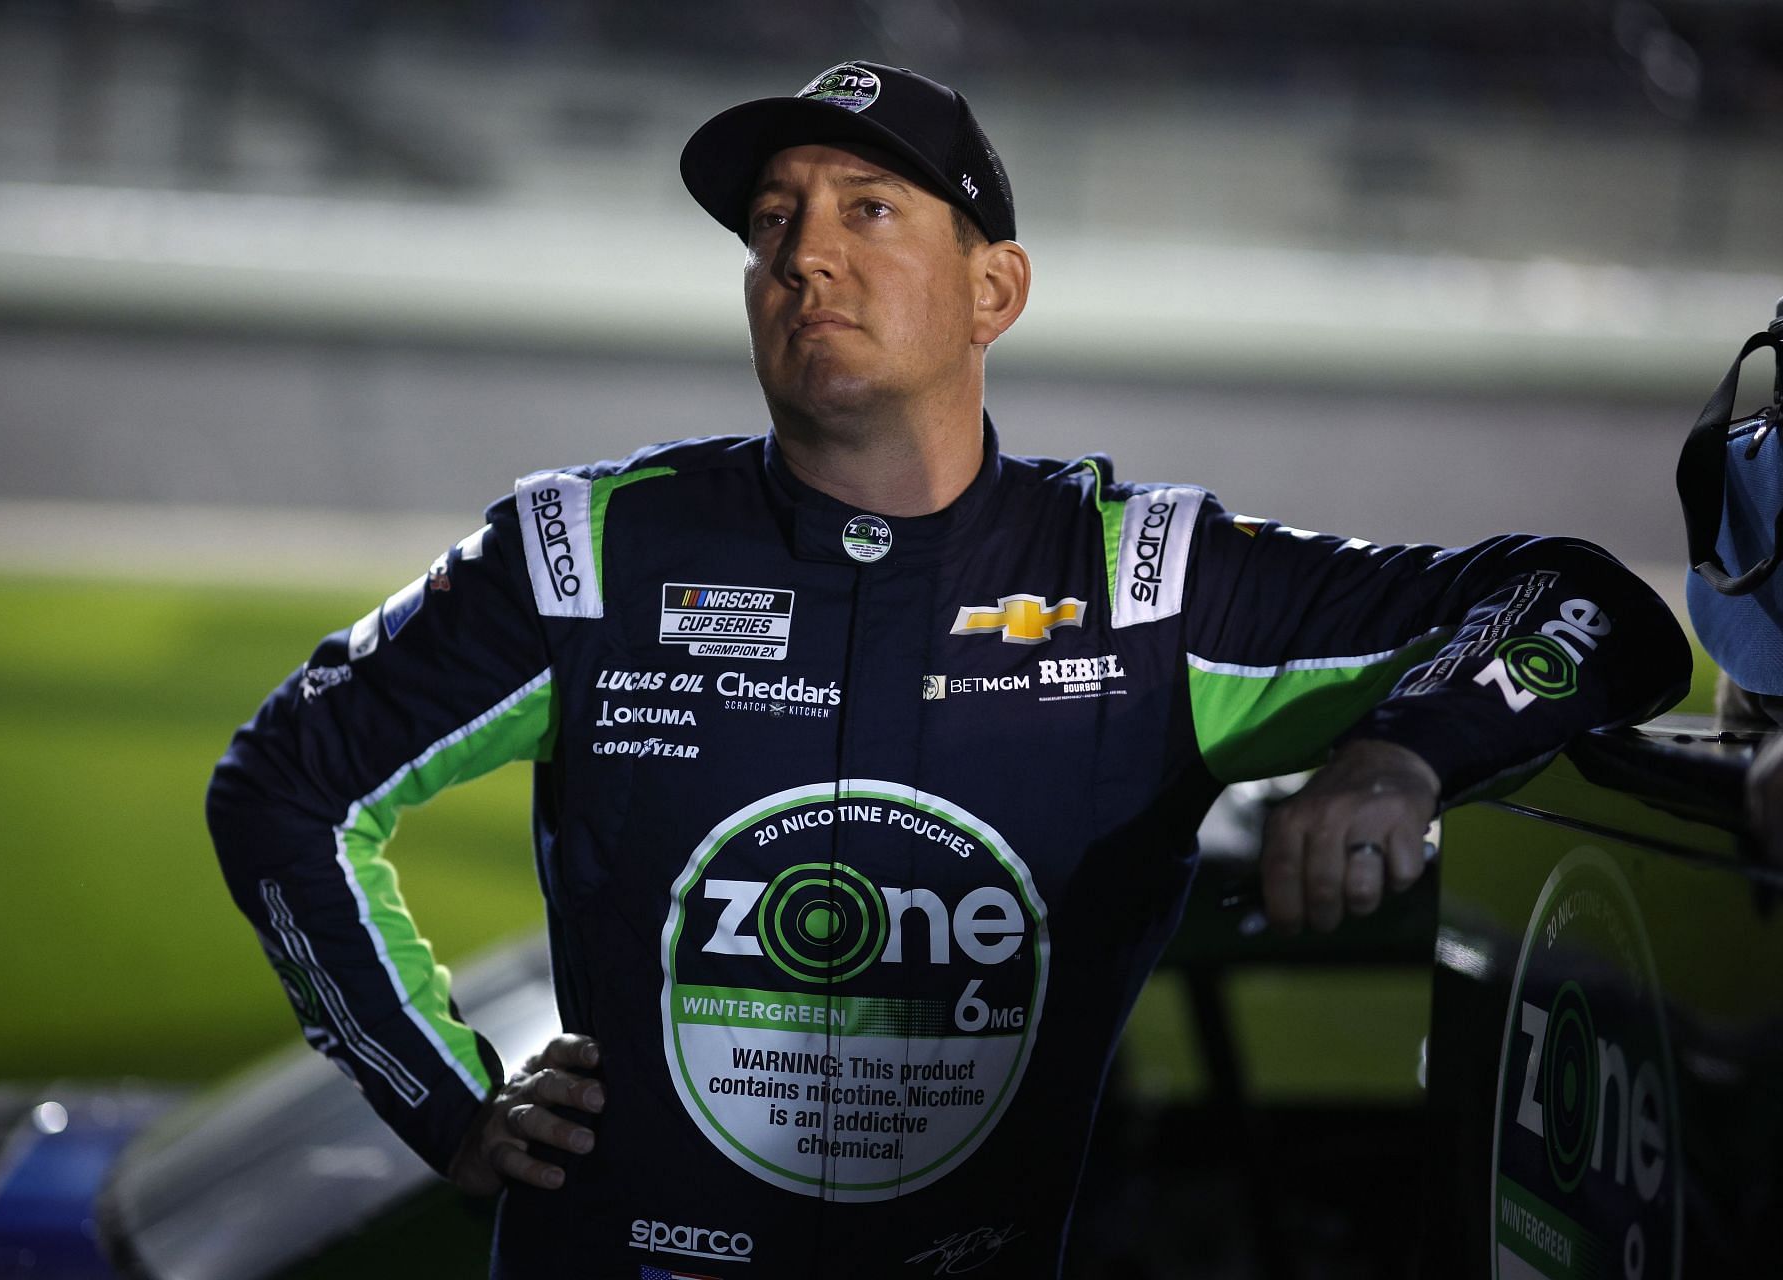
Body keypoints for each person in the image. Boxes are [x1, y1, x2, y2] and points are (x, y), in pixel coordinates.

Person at [205, 60, 1692, 1279]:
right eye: (773, 223)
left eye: (869, 209)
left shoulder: (1147, 585)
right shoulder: (585, 551)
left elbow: (1590, 607)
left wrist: (1398, 756)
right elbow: (283, 786)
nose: (804, 254)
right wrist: (440, 1098)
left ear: (995, 294)